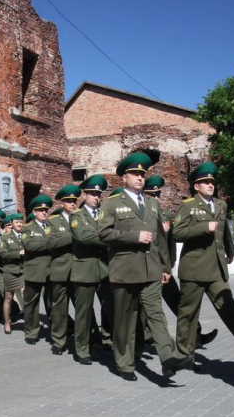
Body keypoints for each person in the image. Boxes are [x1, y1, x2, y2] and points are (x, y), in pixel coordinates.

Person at [98, 152, 194, 381]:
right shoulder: (111, 203)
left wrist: (164, 267)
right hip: (124, 272)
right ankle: (125, 363)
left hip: (151, 270)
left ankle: (168, 358)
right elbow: (103, 233)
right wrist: (133, 236)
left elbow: (159, 239)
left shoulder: (152, 203)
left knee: (156, 314)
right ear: (125, 178)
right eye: (135, 174)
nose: (140, 178)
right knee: (125, 320)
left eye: (142, 174)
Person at [173, 162, 234, 359]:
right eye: (205, 182)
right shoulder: (188, 205)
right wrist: (203, 228)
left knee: (229, 309)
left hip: (216, 268)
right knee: (188, 314)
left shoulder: (221, 205)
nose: (210, 185)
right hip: (194, 269)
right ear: (196, 187)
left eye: (212, 182)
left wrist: (230, 250)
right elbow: (177, 233)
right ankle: (184, 355)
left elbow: (225, 230)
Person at [143, 175, 218, 349]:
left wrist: (169, 266)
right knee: (145, 308)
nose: (155, 198)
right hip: (146, 269)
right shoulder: (142, 215)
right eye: (151, 195)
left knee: (179, 304)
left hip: (164, 269)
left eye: (157, 195)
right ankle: (146, 337)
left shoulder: (165, 214)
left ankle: (195, 335)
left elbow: (170, 245)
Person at [70, 175, 115, 365]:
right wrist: (110, 238)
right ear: (85, 195)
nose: (96, 197)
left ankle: (116, 343)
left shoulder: (105, 214)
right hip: (85, 270)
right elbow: (83, 236)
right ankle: (82, 349)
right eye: (93, 194)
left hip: (106, 269)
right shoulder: (76, 217)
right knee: (84, 312)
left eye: (99, 194)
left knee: (113, 309)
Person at [46, 184, 81, 355]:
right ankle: (58, 341)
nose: (73, 203)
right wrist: (73, 235)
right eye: (68, 201)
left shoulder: (83, 218)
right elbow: (50, 243)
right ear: (62, 204)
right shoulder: (53, 221)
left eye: (74, 200)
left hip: (80, 270)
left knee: (82, 308)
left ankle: (86, 340)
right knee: (60, 309)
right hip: (61, 271)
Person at [21, 195, 53, 345]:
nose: (44, 213)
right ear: (34, 212)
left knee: (52, 303)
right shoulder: (27, 228)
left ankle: (56, 330)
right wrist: (51, 242)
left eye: (46, 210)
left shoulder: (53, 226)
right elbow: (30, 246)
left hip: (52, 270)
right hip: (34, 271)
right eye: (41, 210)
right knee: (31, 303)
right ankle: (31, 332)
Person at [0, 213, 26, 334]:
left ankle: (30, 322)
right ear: (12, 224)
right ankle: (7, 323)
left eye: (21, 222)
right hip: (10, 271)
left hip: (23, 271)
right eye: (17, 222)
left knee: (25, 294)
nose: (19, 224)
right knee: (9, 297)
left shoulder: (26, 235)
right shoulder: (6, 237)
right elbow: (3, 254)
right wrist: (18, 253)